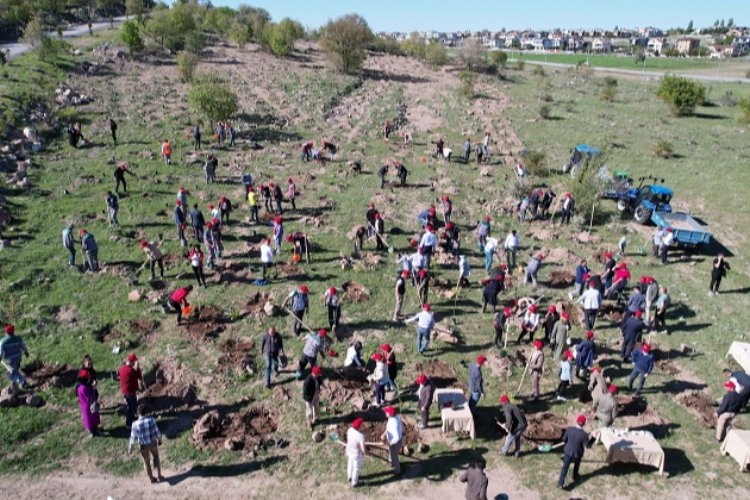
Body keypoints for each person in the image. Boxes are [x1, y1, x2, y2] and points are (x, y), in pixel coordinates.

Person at [128, 404, 164, 484]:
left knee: (146, 462)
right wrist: (160, 440)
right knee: (156, 457)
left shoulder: (134, 424)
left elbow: (132, 438)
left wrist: (130, 448)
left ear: (138, 413)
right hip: (153, 443)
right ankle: (159, 475)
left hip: (143, 446)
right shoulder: (151, 420)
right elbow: (157, 432)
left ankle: (151, 478)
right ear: (146, 412)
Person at [557, 415, 591, 489]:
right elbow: (588, 446)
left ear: (576, 421)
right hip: (577, 453)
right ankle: (574, 476)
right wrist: (593, 438)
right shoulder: (584, 434)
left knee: (565, 467)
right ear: (584, 424)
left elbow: (564, 439)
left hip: (568, 451)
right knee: (577, 465)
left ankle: (560, 483)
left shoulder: (569, 429)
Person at [1, 324, 29, 395]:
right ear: (13, 331)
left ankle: (23, 382)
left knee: (12, 373)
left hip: (10, 360)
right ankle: (17, 385)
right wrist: (26, 352)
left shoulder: (3, 341)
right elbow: (23, 346)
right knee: (14, 371)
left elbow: (1, 353)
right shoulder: (18, 338)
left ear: (6, 332)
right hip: (18, 358)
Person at [119, 353, 143, 428]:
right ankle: (128, 423)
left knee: (134, 404)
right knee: (131, 407)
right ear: (132, 362)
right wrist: (137, 368)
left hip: (125, 390)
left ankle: (133, 417)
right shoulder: (131, 370)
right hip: (129, 392)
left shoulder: (122, 368)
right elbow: (138, 376)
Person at [76, 369, 100, 437]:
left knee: (89, 419)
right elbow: (91, 396)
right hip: (89, 406)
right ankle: (94, 432)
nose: (89, 377)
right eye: (88, 376)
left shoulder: (79, 386)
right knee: (92, 419)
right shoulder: (84, 388)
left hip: (84, 406)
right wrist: (94, 388)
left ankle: (94, 430)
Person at [381, 406, 403, 475]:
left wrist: (391, 443)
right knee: (391, 452)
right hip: (393, 441)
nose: (385, 413)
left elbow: (396, 437)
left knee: (394, 456)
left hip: (396, 442)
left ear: (390, 414)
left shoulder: (394, 423)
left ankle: (397, 470)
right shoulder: (394, 418)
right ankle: (391, 462)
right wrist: (384, 434)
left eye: (386, 412)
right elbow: (389, 428)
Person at [346, 417, 366, 488]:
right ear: (359, 426)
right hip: (356, 454)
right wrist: (366, 453)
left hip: (349, 451)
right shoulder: (360, 436)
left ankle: (349, 477)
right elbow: (363, 449)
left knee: (350, 464)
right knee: (356, 468)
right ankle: (354, 482)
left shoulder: (349, 430)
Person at [303, 365, 323, 429]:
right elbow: (305, 392)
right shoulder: (308, 381)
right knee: (309, 411)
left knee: (316, 407)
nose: (319, 375)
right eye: (318, 374)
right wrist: (309, 399)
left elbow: (320, 381)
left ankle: (316, 418)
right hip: (309, 397)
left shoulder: (317, 377)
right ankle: (309, 423)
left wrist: (324, 386)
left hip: (316, 394)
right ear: (314, 373)